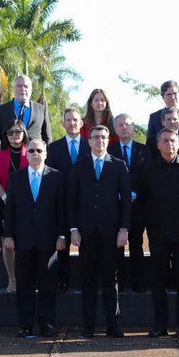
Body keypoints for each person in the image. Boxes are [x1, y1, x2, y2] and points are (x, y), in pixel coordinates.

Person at [138, 128, 179, 337]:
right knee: (158, 280)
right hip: (157, 234)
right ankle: (160, 325)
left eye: (173, 141)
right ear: (158, 145)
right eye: (165, 141)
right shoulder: (148, 169)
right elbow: (142, 199)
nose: (169, 144)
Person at [68, 125, 132, 338]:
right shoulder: (79, 166)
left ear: (108, 140)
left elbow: (126, 203)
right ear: (89, 140)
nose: (100, 141)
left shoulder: (119, 166)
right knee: (88, 280)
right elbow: (72, 200)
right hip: (86, 232)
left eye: (103, 137)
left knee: (110, 280)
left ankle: (113, 325)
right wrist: (74, 229)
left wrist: (124, 229)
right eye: (95, 137)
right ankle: (88, 327)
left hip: (111, 232)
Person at [4, 138, 66, 338]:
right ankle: (25, 324)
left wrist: (61, 235)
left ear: (46, 153)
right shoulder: (15, 178)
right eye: (31, 150)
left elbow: (61, 210)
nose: (35, 153)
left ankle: (46, 323)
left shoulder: (57, 177)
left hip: (49, 241)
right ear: (26, 154)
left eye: (39, 150)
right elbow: (10, 210)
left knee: (48, 285)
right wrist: (9, 236)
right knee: (25, 285)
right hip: (23, 241)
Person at [46, 108, 91, 292]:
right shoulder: (54, 148)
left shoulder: (91, 145)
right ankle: (63, 279)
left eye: (75, 120)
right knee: (62, 242)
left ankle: (87, 280)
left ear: (81, 123)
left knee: (87, 243)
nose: (72, 123)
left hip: (87, 203)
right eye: (68, 120)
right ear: (63, 123)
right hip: (62, 202)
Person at [108, 113, 150, 293]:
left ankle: (138, 282)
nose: (124, 128)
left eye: (127, 124)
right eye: (120, 125)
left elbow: (148, 176)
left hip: (138, 205)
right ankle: (120, 282)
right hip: (115, 206)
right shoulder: (109, 150)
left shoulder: (145, 150)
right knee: (116, 245)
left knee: (136, 243)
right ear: (115, 129)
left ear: (133, 128)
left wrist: (135, 193)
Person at [0, 119, 29, 293]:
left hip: (28, 203)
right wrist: (5, 197)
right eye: (10, 132)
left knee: (25, 241)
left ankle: (26, 279)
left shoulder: (31, 151)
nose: (14, 135)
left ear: (24, 133)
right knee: (7, 241)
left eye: (17, 131)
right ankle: (12, 279)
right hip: (4, 201)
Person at [0, 75, 51, 170]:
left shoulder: (41, 109)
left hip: (35, 162)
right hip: (9, 164)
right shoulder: (1, 110)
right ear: (13, 89)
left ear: (31, 89)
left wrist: (49, 164)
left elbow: (47, 138)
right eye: (19, 86)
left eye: (26, 86)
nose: (23, 89)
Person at [146, 80, 179, 144]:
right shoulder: (154, 117)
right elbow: (150, 143)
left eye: (175, 93)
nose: (172, 97)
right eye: (168, 94)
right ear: (163, 97)